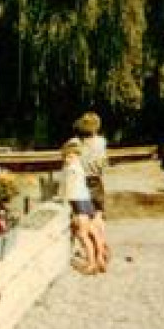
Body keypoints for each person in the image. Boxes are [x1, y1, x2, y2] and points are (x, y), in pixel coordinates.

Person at [60, 138, 107, 273]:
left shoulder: (71, 169)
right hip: (86, 201)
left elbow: (69, 189)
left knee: (82, 234)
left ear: (76, 156)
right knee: (92, 231)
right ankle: (100, 259)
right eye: (66, 157)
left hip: (78, 203)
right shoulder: (79, 167)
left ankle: (91, 263)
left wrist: (63, 200)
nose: (68, 159)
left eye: (71, 156)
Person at [74, 112, 112, 269]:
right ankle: (101, 255)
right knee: (98, 219)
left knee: (86, 223)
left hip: (82, 184)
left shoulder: (77, 144)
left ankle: (93, 260)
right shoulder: (102, 142)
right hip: (97, 182)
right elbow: (104, 164)